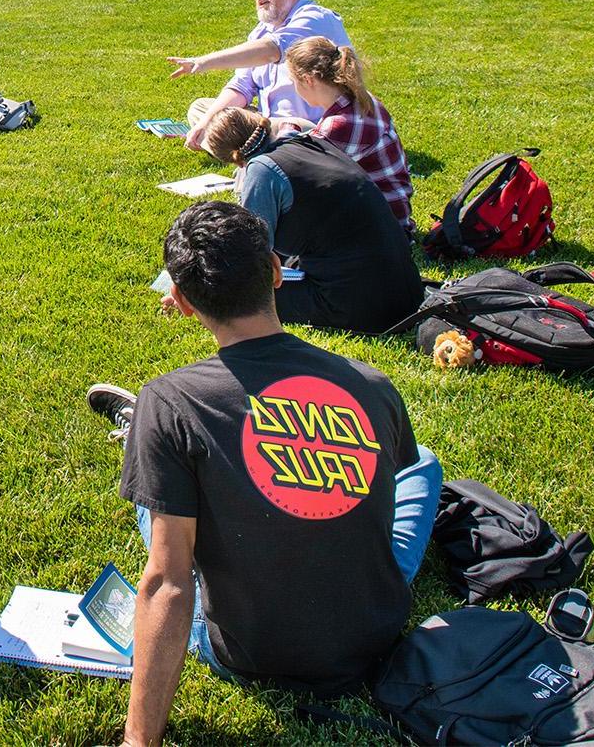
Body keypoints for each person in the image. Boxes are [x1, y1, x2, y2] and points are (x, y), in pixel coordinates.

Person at [87, 202, 442, 747]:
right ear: (276, 270)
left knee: (159, 492)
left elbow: (167, 583)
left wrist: (139, 741)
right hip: (374, 633)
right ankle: (161, 452)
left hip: (246, 653)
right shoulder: (372, 385)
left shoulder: (172, 399)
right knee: (423, 468)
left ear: (179, 302)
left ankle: (143, 438)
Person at [199, 107, 423, 335]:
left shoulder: (262, 171)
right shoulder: (309, 142)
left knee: (239, 299)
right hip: (408, 290)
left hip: (365, 308)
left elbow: (251, 256)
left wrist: (199, 292)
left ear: (232, 159)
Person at [167, 0, 348, 153]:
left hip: (311, 127)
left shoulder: (316, 18)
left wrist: (203, 62)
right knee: (202, 109)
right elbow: (241, 87)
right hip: (267, 125)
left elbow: (272, 51)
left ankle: (245, 150)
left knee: (279, 130)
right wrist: (204, 123)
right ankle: (247, 147)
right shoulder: (261, 31)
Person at [284, 36, 416, 238]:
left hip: (383, 228)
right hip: (394, 213)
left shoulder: (339, 125)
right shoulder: (360, 99)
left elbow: (298, 170)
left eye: (294, 82)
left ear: (308, 80)